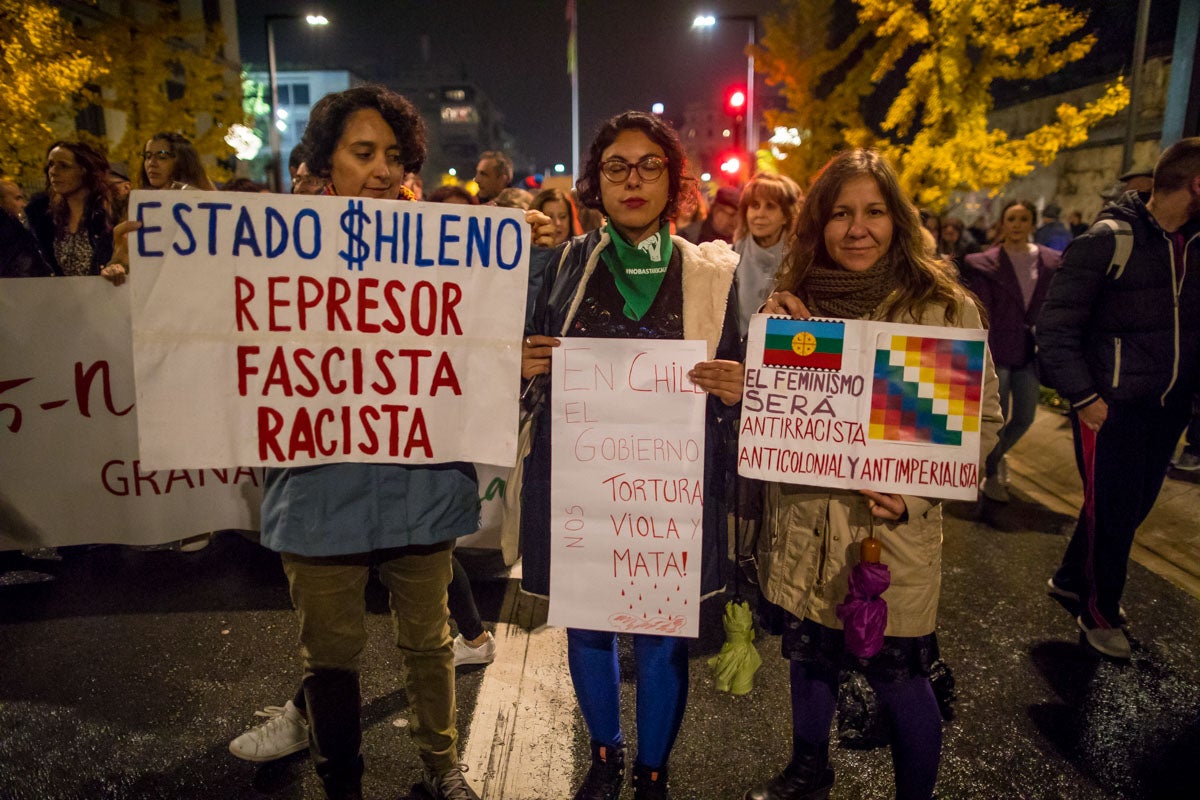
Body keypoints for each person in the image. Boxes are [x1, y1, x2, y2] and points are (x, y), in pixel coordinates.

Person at [231, 85, 482, 800]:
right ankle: (342, 782)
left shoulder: (448, 251)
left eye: (393, 156)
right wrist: (148, 270)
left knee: (430, 644)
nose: (380, 169)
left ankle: (443, 769)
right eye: (362, 152)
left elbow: (482, 341)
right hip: (318, 487)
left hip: (422, 480)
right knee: (331, 654)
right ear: (326, 162)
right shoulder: (274, 251)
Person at [742, 149, 1001, 800]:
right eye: (840, 214)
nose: (857, 229)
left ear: (899, 220)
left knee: (900, 680)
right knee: (809, 658)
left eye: (874, 212)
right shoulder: (794, 307)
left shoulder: (941, 309)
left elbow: (983, 421)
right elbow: (783, 416)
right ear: (818, 225)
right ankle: (809, 768)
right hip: (804, 522)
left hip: (886, 542)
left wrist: (912, 496)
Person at [521, 110, 744, 800]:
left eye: (650, 165)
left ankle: (652, 770)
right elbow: (515, 359)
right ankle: (604, 756)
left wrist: (737, 385)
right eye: (617, 166)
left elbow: (738, 370)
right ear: (596, 183)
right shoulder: (559, 266)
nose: (633, 180)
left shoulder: (708, 273)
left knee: (660, 636)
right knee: (587, 623)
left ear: (674, 182)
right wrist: (523, 363)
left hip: (670, 488)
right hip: (578, 481)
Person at [1037, 137, 1200, 661]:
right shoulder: (1109, 240)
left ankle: (1069, 578)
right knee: (1113, 514)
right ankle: (1099, 612)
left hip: (1166, 408)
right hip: (1110, 409)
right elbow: (1056, 329)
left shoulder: (1193, 246)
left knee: (1127, 510)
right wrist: (1086, 398)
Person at [961, 200, 1060, 503]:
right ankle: (991, 474)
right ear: (1002, 224)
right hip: (997, 349)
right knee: (997, 417)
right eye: (1011, 218)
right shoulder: (985, 263)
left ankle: (993, 457)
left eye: (1023, 218)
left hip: (1031, 351)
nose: (1017, 224)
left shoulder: (1051, 261)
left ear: (1033, 223)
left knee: (1026, 416)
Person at [25, 141, 114, 277]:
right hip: (60, 297)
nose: (53, 172)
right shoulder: (43, 217)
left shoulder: (110, 212)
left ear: (85, 171)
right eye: (51, 165)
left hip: (107, 295)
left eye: (64, 166)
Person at [732, 171, 803, 336]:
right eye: (754, 205)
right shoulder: (729, 258)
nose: (760, 214)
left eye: (770, 206)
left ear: (786, 216)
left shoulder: (800, 262)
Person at [138, 131, 215, 191]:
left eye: (162, 157)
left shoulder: (203, 202)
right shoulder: (138, 202)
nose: (151, 163)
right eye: (148, 156)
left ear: (182, 162)